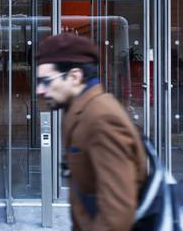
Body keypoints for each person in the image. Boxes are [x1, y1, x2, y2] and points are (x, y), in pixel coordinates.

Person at [36, 34, 146, 231]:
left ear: (75, 76)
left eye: (46, 81)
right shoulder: (81, 110)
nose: (40, 90)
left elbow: (117, 215)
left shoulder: (101, 119)